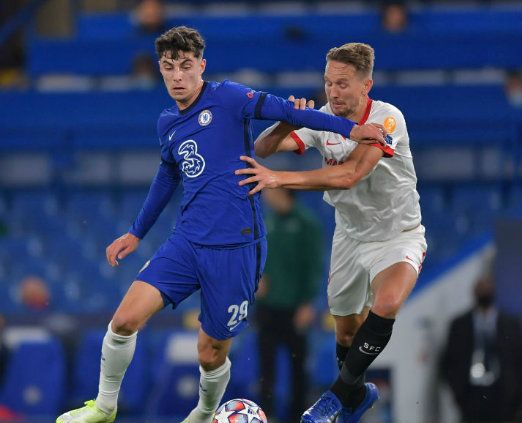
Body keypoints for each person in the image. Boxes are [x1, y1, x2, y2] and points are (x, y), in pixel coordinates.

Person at [55, 26, 384, 423]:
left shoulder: (228, 97)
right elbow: (167, 175)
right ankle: (105, 407)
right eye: (168, 67)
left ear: (201, 66)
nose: (177, 76)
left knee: (210, 352)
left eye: (185, 66)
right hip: (187, 241)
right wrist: (136, 232)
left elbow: (291, 112)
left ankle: (205, 412)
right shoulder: (167, 123)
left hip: (236, 248)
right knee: (124, 320)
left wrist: (352, 129)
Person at [236, 42, 427, 423]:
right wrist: (290, 118)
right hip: (350, 238)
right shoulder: (323, 119)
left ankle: (334, 399)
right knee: (345, 334)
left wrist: (279, 179)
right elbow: (264, 147)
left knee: (387, 303)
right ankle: (356, 397)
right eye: (328, 83)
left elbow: (350, 174)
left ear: (365, 86)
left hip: (398, 234)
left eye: (342, 84)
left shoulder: (387, 120)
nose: (333, 92)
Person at [256, 188, 323, 423]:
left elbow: (314, 265)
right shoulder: (267, 222)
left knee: (298, 367)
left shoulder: (306, 223)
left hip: (295, 308)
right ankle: (268, 415)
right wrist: (258, 278)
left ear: (283, 192)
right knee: (266, 366)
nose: (264, 194)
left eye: (269, 189)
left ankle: (299, 416)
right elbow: (257, 257)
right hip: (267, 307)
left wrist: (307, 302)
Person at [440, 276, 522, 423]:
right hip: (471, 393)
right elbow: (447, 361)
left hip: (502, 393)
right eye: (481, 290)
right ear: (474, 294)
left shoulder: (511, 324)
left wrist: (518, 395)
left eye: (487, 290)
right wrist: (457, 392)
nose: (484, 293)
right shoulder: (460, 324)